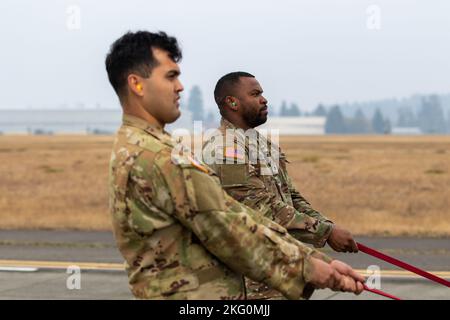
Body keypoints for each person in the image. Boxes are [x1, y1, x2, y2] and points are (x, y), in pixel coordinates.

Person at [106, 31, 364, 299]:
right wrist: (310, 265)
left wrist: (314, 255)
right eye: (171, 76)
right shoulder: (159, 157)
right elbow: (229, 226)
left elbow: (238, 213)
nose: (180, 86)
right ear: (137, 84)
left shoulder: (142, 146)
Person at [202, 72, 359, 298]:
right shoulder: (226, 150)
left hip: (279, 272)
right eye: (255, 94)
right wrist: (325, 232)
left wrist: (327, 225)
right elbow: (261, 208)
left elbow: (290, 196)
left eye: (262, 93)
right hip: (251, 281)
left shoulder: (261, 144)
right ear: (232, 102)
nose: (264, 99)